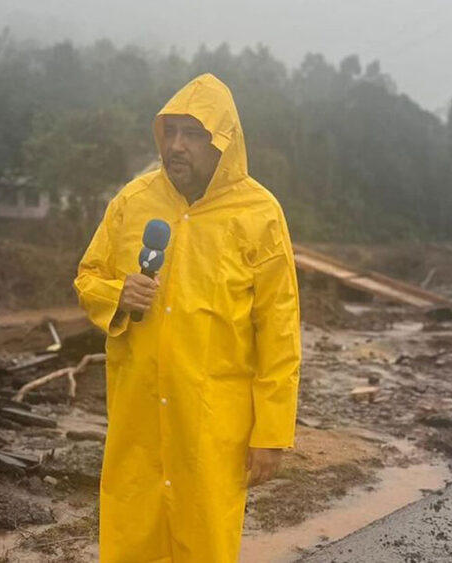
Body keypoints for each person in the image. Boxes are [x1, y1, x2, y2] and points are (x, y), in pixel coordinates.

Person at [74, 73, 301, 562]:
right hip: (137, 421)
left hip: (212, 429)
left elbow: (278, 330)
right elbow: (88, 276)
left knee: (205, 545)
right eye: (171, 131)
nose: (177, 146)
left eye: (193, 134)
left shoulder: (260, 214)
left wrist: (271, 435)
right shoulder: (133, 202)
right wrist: (118, 295)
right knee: (132, 539)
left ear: (223, 142)